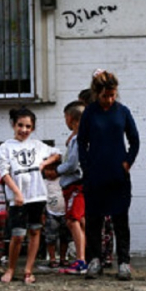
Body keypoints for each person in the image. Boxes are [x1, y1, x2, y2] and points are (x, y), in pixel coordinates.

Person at [78, 70, 140, 281]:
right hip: (95, 175)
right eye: (105, 96)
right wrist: (87, 167)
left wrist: (128, 162)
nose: (109, 99)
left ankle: (123, 262)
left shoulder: (122, 112)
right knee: (94, 220)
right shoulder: (89, 113)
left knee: (120, 220)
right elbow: (81, 142)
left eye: (113, 95)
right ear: (97, 94)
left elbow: (135, 140)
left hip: (118, 175)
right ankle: (94, 260)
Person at [0, 108, 61, 284]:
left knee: (34, 230)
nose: (24, 130)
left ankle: (28, 271)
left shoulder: (37, 145)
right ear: (13, 125)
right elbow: (4, 173)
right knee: (17, 235)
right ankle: (10, 269)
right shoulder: (5, 147)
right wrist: (17, 193)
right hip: (18, 199)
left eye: (28, 126)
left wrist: (44, 164)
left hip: (37, 196)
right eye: (20, 125)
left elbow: (58, 153)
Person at [56, 101, 87, 274]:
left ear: (72, 119)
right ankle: (84, 258)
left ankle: (81, 260)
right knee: (81, 221)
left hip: (75, 185)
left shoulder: (77, 139)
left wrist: (56, 170)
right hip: (77, 185)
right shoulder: (79, 137)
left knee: (72, 220)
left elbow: (72, 164)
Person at [41, 167, 70, 269]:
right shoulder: (43, 182)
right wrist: (43, 214)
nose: (50, 172)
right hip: (50, 212)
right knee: (50, 237)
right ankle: (52, 258)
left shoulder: (63, 180)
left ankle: (63, 257)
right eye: (47, 169)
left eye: (52, 169)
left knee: (65, 236)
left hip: (64, 212)